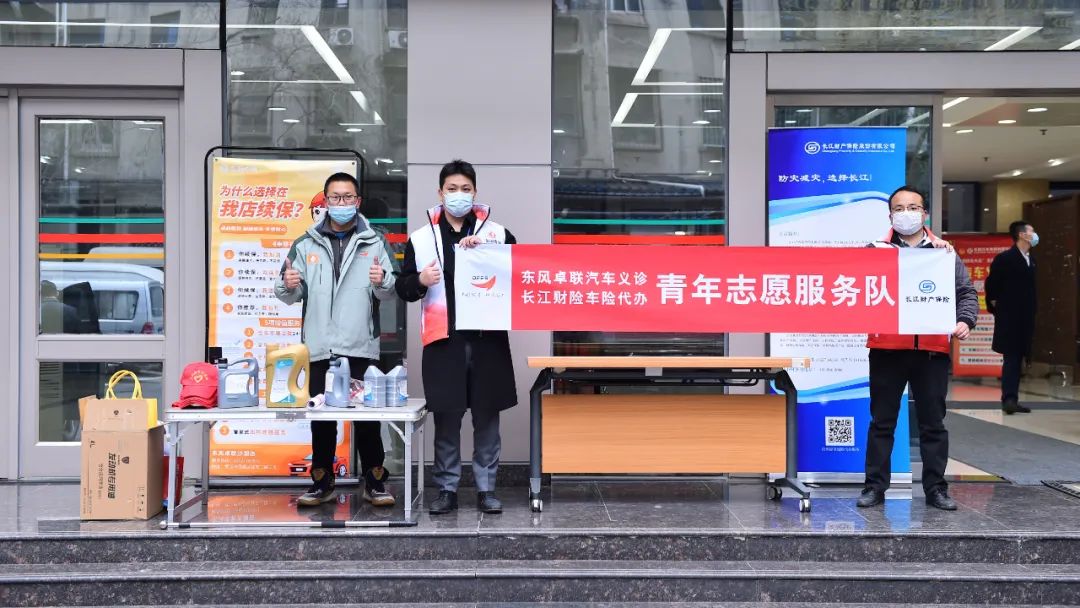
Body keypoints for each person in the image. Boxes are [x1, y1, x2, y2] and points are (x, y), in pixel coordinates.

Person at [396, 159, 518, 515]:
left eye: (466, 189)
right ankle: (447, 488)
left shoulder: (497, 235)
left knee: (487, 417)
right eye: (452, 189)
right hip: (443, 341)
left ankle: (486, 488)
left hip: (487, 340)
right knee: (447, 418)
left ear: (475, 192)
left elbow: (518, 275)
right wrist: (421, 280)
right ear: (440, 193)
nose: (459, 195)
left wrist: (489, 255)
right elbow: (404, 287)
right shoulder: (421, 238)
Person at [274, 172, 397, 507]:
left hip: (360, 345)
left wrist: (382, 280)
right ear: (326, 202)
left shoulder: (375, 241)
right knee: (322, 420)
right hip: (319, 346)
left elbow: (389, 291)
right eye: (335, 197)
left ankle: (375, 481)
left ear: (357, 201)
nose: (342, 203)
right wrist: (287, 283)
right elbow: (289, 292)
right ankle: (322, 482)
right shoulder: (305, 243)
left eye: (348, 197)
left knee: (367, 420)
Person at [857, 186, 979, 511]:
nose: (906, 213)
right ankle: (874, 487)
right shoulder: (874, 251)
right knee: (882, 422)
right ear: (890, 216)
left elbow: (966, 292)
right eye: (899, 208)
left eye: (913, 207)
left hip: (931, 351)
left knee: (933, 424)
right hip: (887, 349)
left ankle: (936, 490)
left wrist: (965, 320)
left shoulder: (943, 253)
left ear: (924, 213)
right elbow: (857, 290)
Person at [985, 221, 1038, 415]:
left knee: (1018, 357)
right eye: (1031, 231)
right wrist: (1000, 309)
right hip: (1009, 318)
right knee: (1012, 357)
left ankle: (1012, 398)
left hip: (1026, 317)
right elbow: (991, 286)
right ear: (1022, 235)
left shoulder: (1031, 260)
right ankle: (1009, 398)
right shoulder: (1005, 258)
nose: (1034, 234)